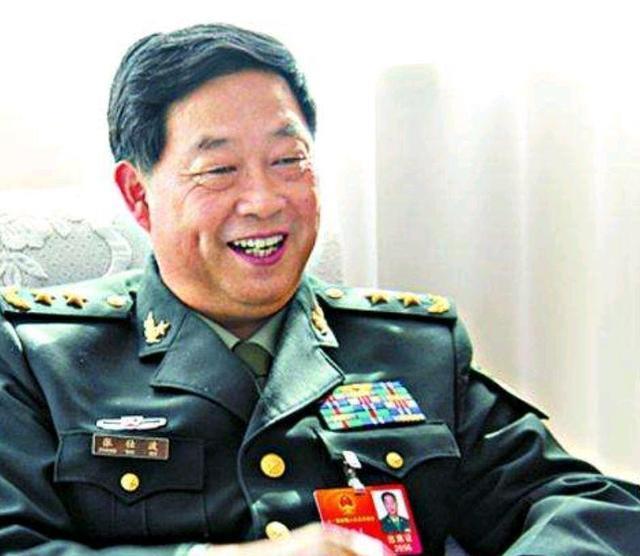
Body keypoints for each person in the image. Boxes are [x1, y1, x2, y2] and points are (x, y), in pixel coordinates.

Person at [0, 22, 638, 556]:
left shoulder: (412, 349)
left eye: (289, 160)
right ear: (138, 195)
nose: (263, 200)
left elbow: (589, 506)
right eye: (219, 169)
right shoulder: (38, 358)